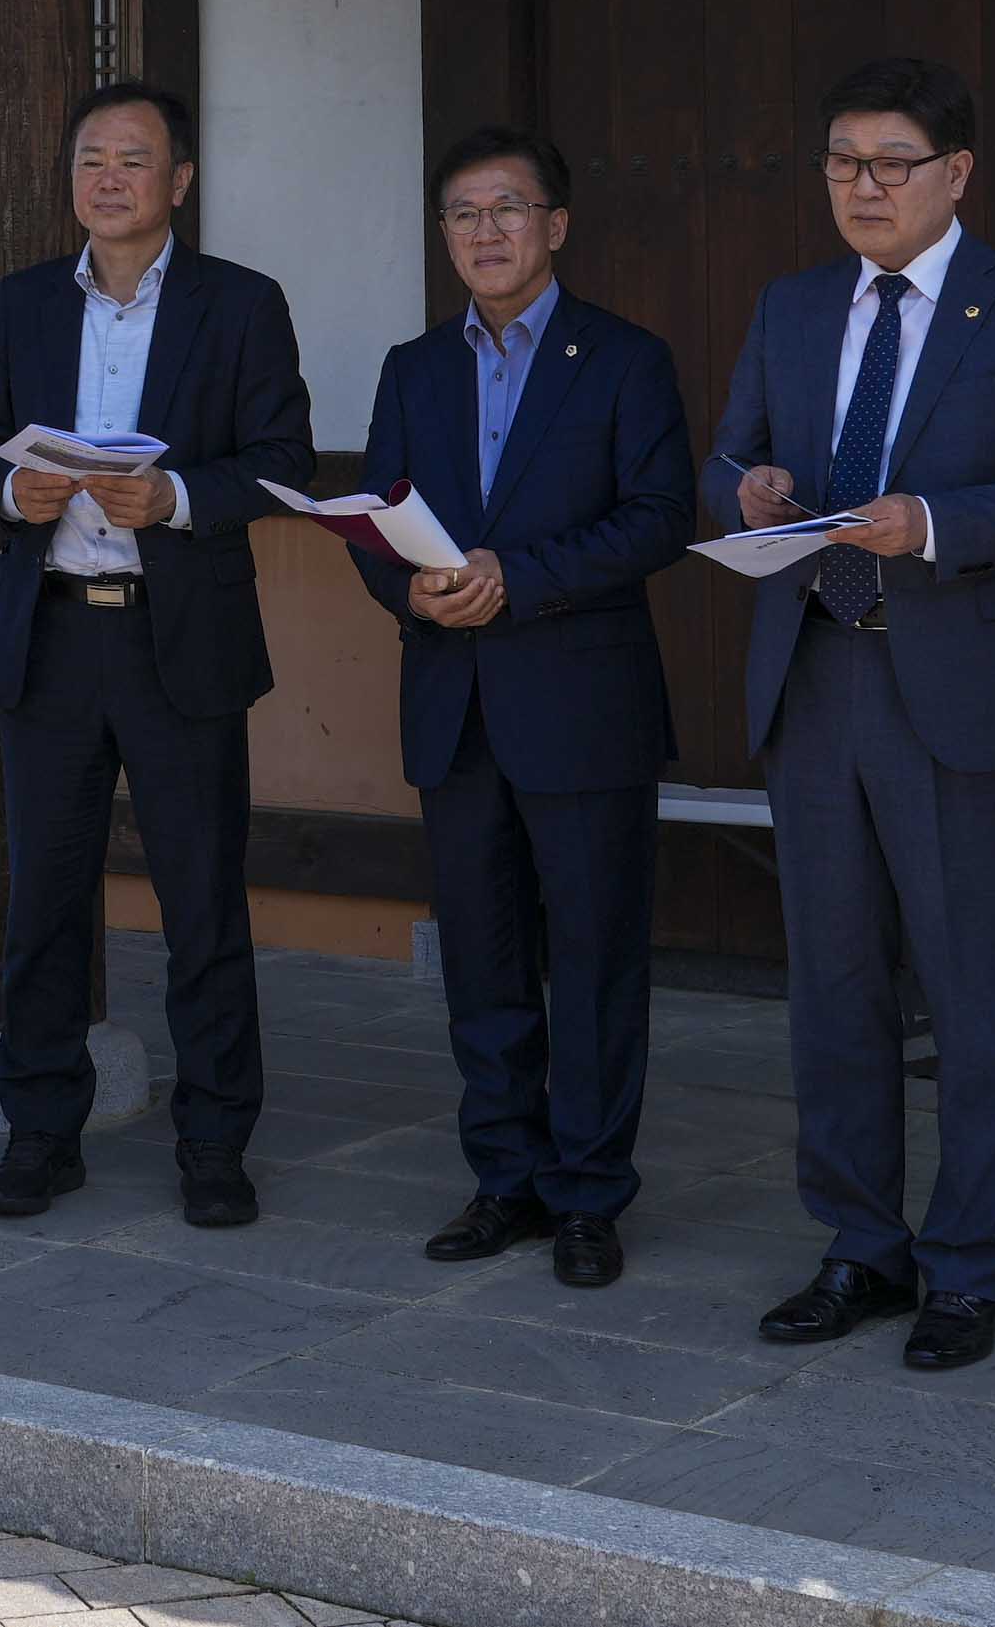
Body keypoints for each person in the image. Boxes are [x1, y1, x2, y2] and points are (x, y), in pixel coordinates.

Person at [702, 53, 995, 1374]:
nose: (862, 187)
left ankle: (967, 1264)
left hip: (961, 686)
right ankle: (858, 1244)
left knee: (971, 985)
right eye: (840, 164)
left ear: (956, 174)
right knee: (830, 985)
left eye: (890, 165)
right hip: (817, 670)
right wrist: (752, 490)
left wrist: (930, 521)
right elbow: (729, 455)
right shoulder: (793, 302)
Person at [0, 80, 314, 1230]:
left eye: (133, 160)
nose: (108, 177)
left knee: (201, 900)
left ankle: (214, 1141)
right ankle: (40, 1131)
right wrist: (14, 486)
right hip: (51, 631)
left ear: (179, 183)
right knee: (43, 898)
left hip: (177, 640)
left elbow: (280, 457)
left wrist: (179, 495)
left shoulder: (239, 304)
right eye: (91, 158)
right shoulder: (22, 304)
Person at [343, 126, 690, 1288]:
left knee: (592, 960)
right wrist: (411, 591)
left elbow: (656, 515)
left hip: (580, 702)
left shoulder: (624, 360)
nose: (482, 233)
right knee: (481, 958)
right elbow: (370, 519)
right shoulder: (411, 367)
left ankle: (589, 1193)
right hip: (452, 699)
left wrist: (516, 579)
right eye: (460, 214)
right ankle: (503, 1177)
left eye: (505, 209)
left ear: (555, 224)